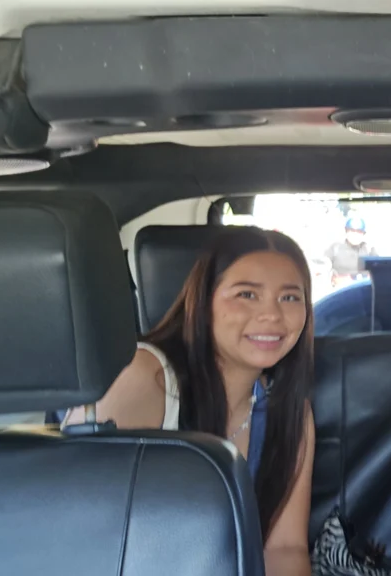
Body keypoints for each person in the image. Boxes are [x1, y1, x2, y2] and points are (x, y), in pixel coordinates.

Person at [64, 226, 316, 576]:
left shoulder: (287, 410)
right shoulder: (145, 376)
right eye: (246, 294)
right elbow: (85, 536)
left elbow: (284, 549)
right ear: (204, 300)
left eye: (290, 297)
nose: (272, 315)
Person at [323, 216, 378, 287]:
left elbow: (379, 270)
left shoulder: (369, 249)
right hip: (341, 290)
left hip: (364, 289)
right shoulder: (335, 248)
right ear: (346, 232)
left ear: (363, 234)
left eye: (359, 232)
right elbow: (323, 267)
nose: (355, 235)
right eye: (352, 231)